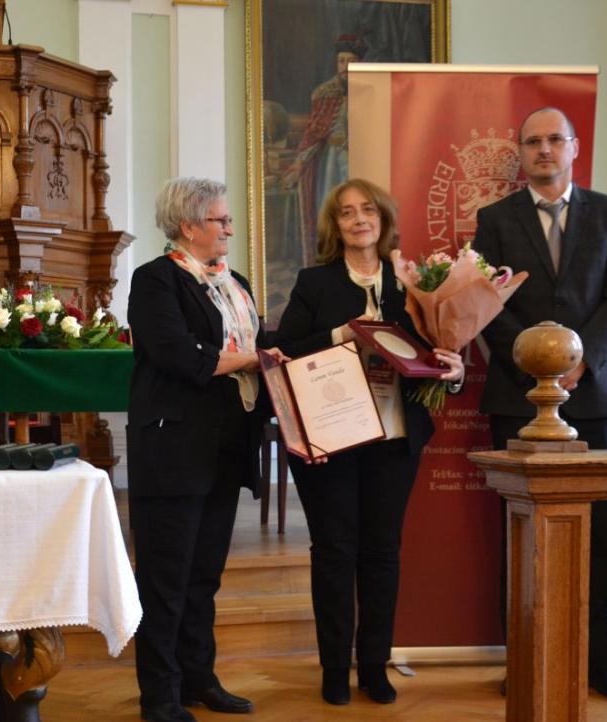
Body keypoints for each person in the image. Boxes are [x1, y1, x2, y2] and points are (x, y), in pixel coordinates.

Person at [275, 178, 464, 706]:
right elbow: (284, 348)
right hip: (332, 436)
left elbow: (437, 354)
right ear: (335, 226)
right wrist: (341, 334)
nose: (359, 219)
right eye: (346, 212)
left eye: (368, 210)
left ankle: (374, 665)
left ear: (382, 219)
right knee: (335, 552)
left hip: (394, 437)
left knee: (382, 552)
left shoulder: (414, 283)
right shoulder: (315, 282)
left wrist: (453, 372)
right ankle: (335, 668)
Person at [472, 107, 607, 701]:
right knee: (519, 534)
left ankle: (602, 663)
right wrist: (536, 360)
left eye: (554, 139)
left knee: (599, 535)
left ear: (573, 147)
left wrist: (579, 359)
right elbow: (485, 300)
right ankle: (524, 659)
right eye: (532, 141)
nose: (544, 149)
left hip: (590, 394)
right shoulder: (494, 220)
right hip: (517, 394)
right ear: (520, 154)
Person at [127, 177, 285, 722]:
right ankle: (160, 696)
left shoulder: (235, 282)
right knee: (166, 580)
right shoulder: (155, 280)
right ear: (188, 225)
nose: (229, 229)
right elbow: (178, 354)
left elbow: (258, 344)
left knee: (204, 576)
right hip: (174, 449)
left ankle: (199, 678)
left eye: (227, 219)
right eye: (220, 220)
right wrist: (253, 360)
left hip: (227, 444)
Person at [283, 35, 365, 268]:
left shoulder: (371, 90)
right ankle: (331, 261)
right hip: (332, 163)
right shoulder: (325, 93)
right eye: (341, 61)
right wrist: (299, 163)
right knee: (331, 211)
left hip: (362, 161)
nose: (345, 66)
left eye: (351, 61)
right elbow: (314, 133)